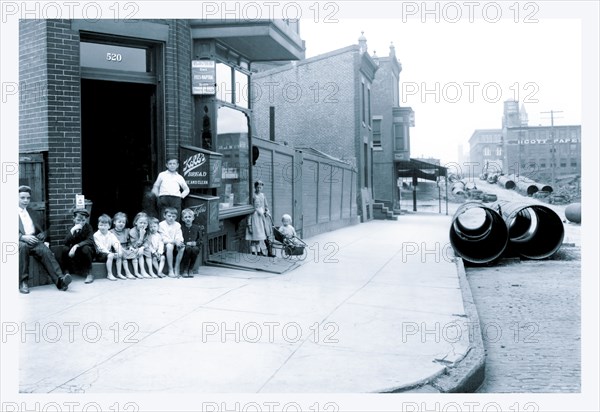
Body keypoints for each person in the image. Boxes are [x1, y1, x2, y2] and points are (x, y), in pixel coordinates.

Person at [18, 185, 72, 294]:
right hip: (19, 241)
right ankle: (23, 282)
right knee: (23, 247)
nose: (25, 200)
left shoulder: (31, 212)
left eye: (28, 198)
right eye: (22, 198)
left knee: (45, 251)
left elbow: (39, 229)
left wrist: (42, 234)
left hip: (33, 240)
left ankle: (60, 281)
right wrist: (22, 237)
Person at [56, 207, 96, 284]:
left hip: (85, 252)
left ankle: (89, 273)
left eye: (83, 220)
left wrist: (77, 245)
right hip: (74, 253)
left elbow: (90, 240)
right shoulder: (71, 228)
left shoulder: (88, 227)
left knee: (86, 248)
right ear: (73, 219)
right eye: (78, 220)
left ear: (86, 220)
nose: (81, 223)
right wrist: (72, 231)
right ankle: (66, 272)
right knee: (64, 248)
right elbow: (66, 242)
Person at [245, 180, 274, 256]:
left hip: (263, 216)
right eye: (257, 187)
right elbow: (250, 206)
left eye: (260, 187)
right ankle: (257, 251)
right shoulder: (253, 196)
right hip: (255, 216)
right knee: (256, 235)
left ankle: (267, 251)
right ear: (255, 187)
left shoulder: (263, 195)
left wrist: (267, 211)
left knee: (265, 234)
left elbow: (266, 206)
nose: (259, 189)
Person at [93, 214, 123, 281]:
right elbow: (100, 247)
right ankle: (109, 274)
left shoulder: (110, 234)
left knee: (119, 255)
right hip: (99, 254)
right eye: (101, 225)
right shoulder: (96, 235)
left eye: (105, 225)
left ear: (109, 226)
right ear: (98, 225)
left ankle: (119, 273)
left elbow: (116, 242)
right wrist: (109, 253)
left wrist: (119, 251)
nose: (103, 227)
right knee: (110, 255)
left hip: (109, 253)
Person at [159, 207, 185, 278]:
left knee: (182, 247)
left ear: (176, 217)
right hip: (164, 245)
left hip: (175, 243)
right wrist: (174, 241)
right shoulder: (161, 225)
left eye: (173, 217)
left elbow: (179, 236)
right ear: (164, 216)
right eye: (169, 216)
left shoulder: (177, 225)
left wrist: (179, 241)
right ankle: (170, 270)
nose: (171, 218)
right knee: (169, 246)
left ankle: (176, 268)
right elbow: (163, 239)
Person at [110, 212, 137, 279]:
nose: (121, 224)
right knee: (123, 256)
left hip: (126, 248)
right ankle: (127, 273)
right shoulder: (111, 232)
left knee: (134, 254)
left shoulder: (127, 231)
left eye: (123, 222)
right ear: (114, 222)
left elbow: (129, 241)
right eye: (119, 222)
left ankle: (136, 272)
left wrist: (130, 247)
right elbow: (112, 244)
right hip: (117, 249)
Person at [180, 208, 202, 278]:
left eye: (189, 217)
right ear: (183, 219)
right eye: (185, 217)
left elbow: (200, 240)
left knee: (195, 249)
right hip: (185, 247)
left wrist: (195, 243)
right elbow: (179, 239)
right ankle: (185, 269)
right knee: (188, 248)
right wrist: (186, 243)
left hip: (195, 246)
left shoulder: (197, 228)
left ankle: (191, 268)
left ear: (193, 218)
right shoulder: (181, 228)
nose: (188, 219)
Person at [128, 212, 151, 279]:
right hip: (133, 248)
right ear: (136, 223)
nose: (143, 225)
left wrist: (143, 247)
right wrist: (141, 237)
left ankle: (150, 271)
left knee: (148, 251)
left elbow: (147, 242)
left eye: (145, 223)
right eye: (141, 223)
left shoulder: (147, 231)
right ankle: (142, 271)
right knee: (139, 252)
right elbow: (134, 245)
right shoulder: (132, 231)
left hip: (142, 248)